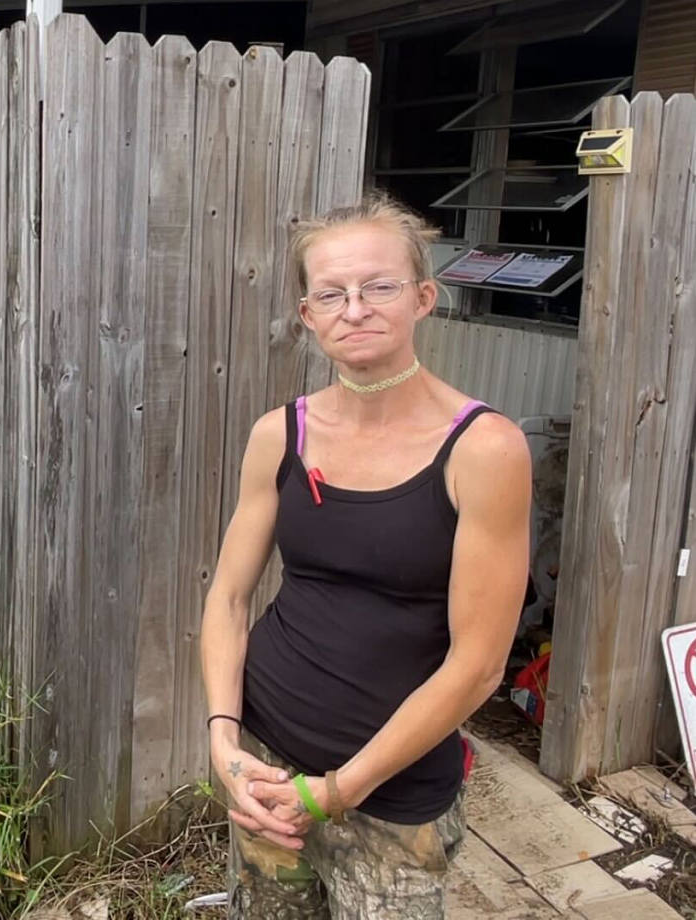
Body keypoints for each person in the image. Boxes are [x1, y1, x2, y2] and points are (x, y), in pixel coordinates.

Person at [199, 194, 531, 918]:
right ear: (307, 314)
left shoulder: (484, 450)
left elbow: (478, 666)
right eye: (332, 293)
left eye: (378, 286)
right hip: (266, 762)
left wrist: (338, 791)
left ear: (423, 298)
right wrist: (224, 740)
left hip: (393, 797)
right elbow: (227, 598)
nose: (355, 307)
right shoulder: (279, 434)